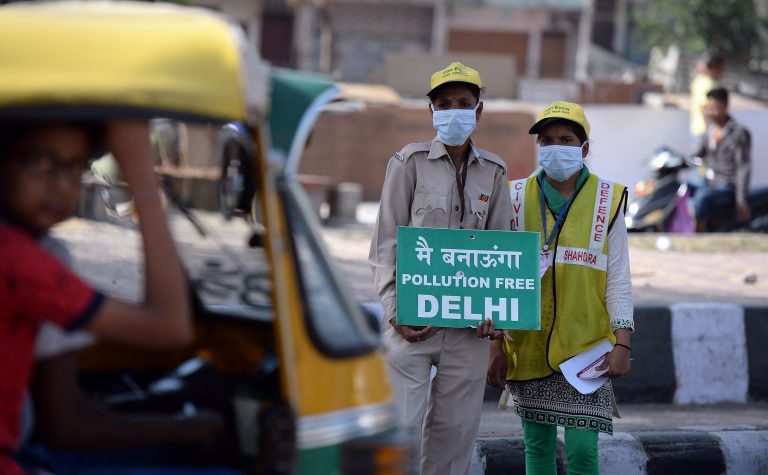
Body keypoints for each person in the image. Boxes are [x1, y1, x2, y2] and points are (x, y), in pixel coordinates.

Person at [0, 120, 192, 475]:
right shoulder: (18, 260)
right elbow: (170, 325)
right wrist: (140, 172)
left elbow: (61, 420)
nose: (62, 185)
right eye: (41, 162)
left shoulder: (31, 251)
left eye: (75, 167)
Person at [369, 62, 513, 475]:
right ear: (430, 111)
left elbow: (501, 254)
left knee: (454, 439)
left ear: (478, 111)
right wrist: (394, 311)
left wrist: (497, 321)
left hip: (469, 331)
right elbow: (385, 244)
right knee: (400, 431)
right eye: (445, 103)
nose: (455, 111)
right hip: (411, 324)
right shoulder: (407, 163)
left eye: (464, 103)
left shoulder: (495, 172)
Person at [488, 102, 633, 475]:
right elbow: (502, 279)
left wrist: (623, 342)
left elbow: (618, 278)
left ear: (584, 148)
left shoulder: (609, 198)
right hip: (528, 345)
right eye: (547, 140)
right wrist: (496, 345)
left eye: (566, 139)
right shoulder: (514, 197)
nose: (556, 147)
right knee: (537, 449)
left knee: (584, 452)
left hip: (587, 350)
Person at [692, 87, 752, 232]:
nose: (710, 109)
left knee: (702, 196)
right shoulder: (710, 129)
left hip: (727, 185)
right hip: (709, 183)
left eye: (714, 105)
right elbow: (697, 154)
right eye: (708, 106)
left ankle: (698, 236)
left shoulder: (738, 132)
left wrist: (741, 200)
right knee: (682, 188)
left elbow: (744, 167)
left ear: (724, 105)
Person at [689, 54, 725, 152]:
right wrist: (714, 130)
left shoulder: (699, 80)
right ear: (716, 67)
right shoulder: (707, 84)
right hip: (704, 131)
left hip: (699, 129)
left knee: (701, 164)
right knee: (702, 165)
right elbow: (707, 108)